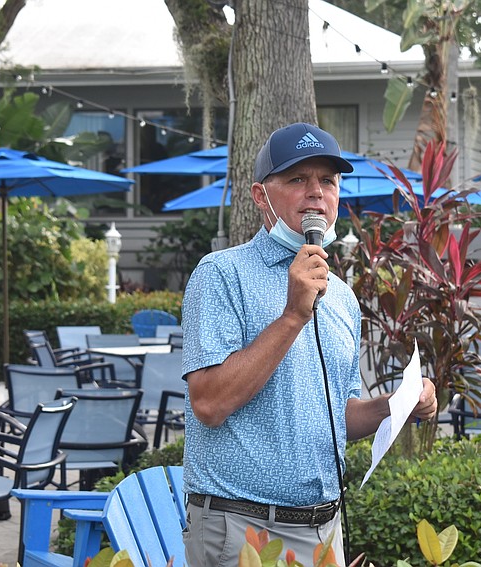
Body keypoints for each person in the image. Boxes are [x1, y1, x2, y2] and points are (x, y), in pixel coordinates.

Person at [181, 122, 437, 567]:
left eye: (328, 180)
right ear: (261, 196)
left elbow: (338, 414)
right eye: (298, 179)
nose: (316, 192)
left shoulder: (340, 296)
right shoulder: (220, 274)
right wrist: (293, 315)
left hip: (323, 532)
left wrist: (396, 406)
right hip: (242, 529)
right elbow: (209, 403)